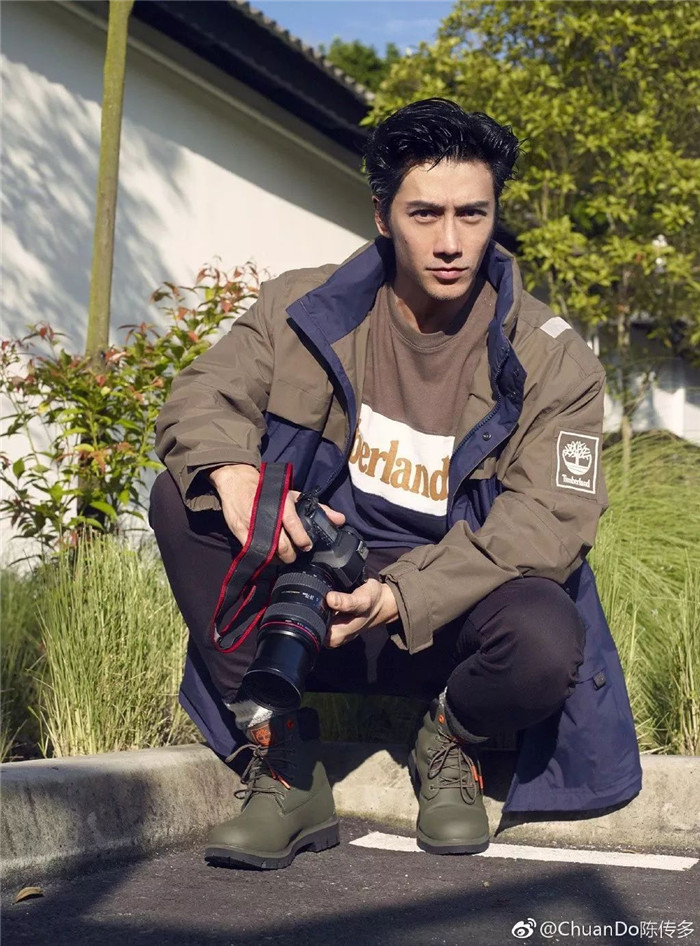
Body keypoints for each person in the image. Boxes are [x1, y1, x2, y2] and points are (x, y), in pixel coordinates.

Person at [150, 98, 642, 870]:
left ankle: (450, 739)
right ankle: (281, 759)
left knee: (547, 634)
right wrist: (231, 470)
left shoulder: (554, 358)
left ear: (494, 215)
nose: (451, 241)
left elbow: (548, 521)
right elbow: (202, 395)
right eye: (425, 214)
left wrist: (401, 595)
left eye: (472, 214)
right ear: (382, 216)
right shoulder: (301, 309)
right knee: (184, 499)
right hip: (314, 598)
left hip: (451, 613)